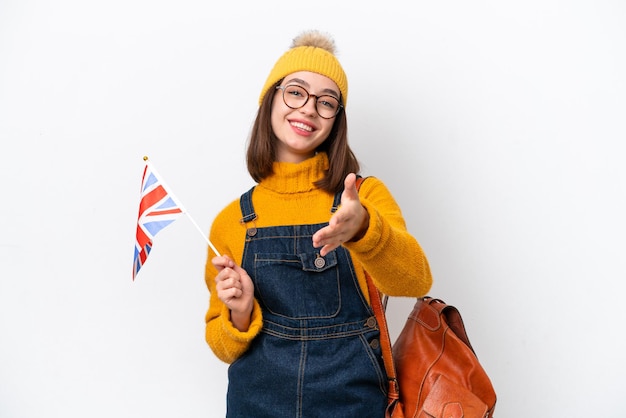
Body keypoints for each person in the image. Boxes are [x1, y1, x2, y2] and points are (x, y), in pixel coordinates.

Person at [204, 29, 432, 417]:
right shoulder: (232, 220)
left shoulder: (363, 197)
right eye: (295, 92)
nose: (309, 108)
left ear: (336, 120)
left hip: (352, 402)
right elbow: (224, 347)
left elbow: (414, 282)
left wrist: (363, 230)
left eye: (326, 102)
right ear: (271, 98)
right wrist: (239, 312)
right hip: (256, 403)